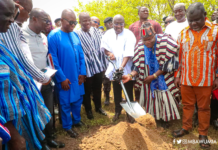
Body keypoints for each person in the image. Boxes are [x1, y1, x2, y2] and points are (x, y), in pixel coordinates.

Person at [0, 0, 51, 149]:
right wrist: (43, 77)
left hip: (20, 94)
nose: (12, 19)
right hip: (11, 107)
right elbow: (22, 59)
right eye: (8, 14)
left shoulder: (41, 36)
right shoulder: (12, 29)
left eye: (13, 13)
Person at [173, 3, 218, 149]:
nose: (194, 24)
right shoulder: (183, 33)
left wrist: (217, 76)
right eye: (190, 20)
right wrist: (177, 75)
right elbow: (179, 56)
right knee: (187, 105)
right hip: (186, 78)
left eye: (197, 20)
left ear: (205, 15)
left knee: (204, 108)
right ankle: (186, 127)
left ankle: (203, 134)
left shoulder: (216, 31)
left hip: (206, 78)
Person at [122, 21, 180, 128]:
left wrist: (154, 76)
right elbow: (137, 66)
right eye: (145, 40)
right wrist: (130, 75)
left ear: (154, 35)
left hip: (163, 76)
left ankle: (165, 119)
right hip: (147, 78)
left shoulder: (165, 41)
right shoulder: (140, 46)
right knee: (150, 98)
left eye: (150, 39)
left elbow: (168, 63)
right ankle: (155, 118)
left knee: (164, 96)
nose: (147, 42)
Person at [23, 8, 65, 149]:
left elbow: (47, 58)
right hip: (31, 82)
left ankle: (49, 137)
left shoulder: (43, 37)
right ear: (34, 19)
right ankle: (41, 142)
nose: (48, 24)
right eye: (45, 20)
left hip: (46, 80)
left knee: (48, 111)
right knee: (35, 112)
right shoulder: (21, 35)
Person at [48, 9, 86, 138]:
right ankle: (67, 126)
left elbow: (81, 55)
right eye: (70, 22)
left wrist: (83, 72)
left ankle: (76, 120)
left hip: (77, 76)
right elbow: (53, 60)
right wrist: (61, 78)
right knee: (65, 103)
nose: (73, 25)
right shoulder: (54, 36)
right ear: (62, 20)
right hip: (65, 77)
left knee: (78, 99)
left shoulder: (75, 35)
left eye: (75, 22)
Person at [0, 0, 51, 85]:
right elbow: (20, 60)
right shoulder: (11, 27)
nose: (28, 17)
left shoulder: (44, 37)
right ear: (17, 4)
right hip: (18, 83)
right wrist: (43, 78)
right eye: (28, 11)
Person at [101, 15, 136, 122]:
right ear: (112, 24)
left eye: (121, 23)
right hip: (114, 67)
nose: (118, 26)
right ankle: (117, 111)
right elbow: (104, 48)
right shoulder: (108, 34)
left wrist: (121, 67)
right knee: (116, 91)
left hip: (126, 68)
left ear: (124, 24)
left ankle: (130, 113)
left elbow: (128, 53)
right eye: (116, 23)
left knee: (128, 91)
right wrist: (109, 53)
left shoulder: (129, 34)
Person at [76, 12, 107, 119]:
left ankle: (98, 107)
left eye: (89, 20)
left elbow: (104, 45)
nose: (88, 22)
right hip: (87, 68)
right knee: (87, 91)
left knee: (98, 88)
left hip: (98, 66)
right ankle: (88, 110)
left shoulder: (96, 31)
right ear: (79, 22)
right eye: (84, 20)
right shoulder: (77, 34)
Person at [129, 6, 163, 103]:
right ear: (138, 13)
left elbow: (159, 38)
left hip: (156, 56)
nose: (145, 11)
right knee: (141, 80)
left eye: (147, 10)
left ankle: (158, 103)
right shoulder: (133, 26)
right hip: (140, 55)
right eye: (143, 10)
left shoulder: (155, 24)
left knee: (158, 82)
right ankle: (141, 101)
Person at [102, 17, 113, 105]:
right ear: (105, 24)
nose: (110, 24)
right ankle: (107, 97)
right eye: (108, 23)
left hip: (117, 60)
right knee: (106, 81)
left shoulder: (118, 33)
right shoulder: (102, 34)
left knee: (118, 79)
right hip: (106, 61)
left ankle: (119, 96)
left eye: (111, 22)